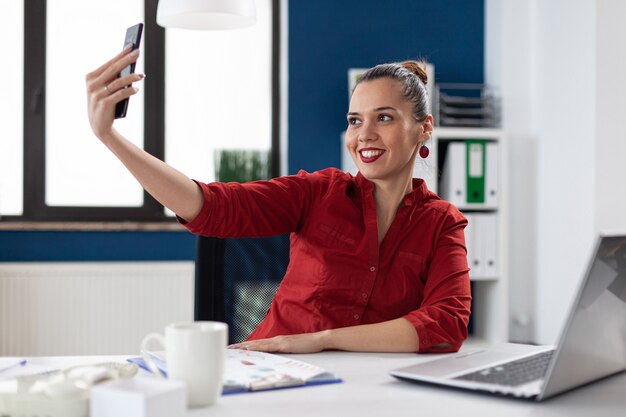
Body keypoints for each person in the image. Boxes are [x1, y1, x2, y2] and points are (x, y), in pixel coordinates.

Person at [86, 46, 471, 354]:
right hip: (269, 373)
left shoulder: (442, 223)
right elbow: (212, 206)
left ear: (424, 128)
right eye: (355, 120)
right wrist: (111, 139)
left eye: (384, 118)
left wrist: (322, 339)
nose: (363, 134)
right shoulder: (319, 192)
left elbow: (447, 325)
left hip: (365, 390)